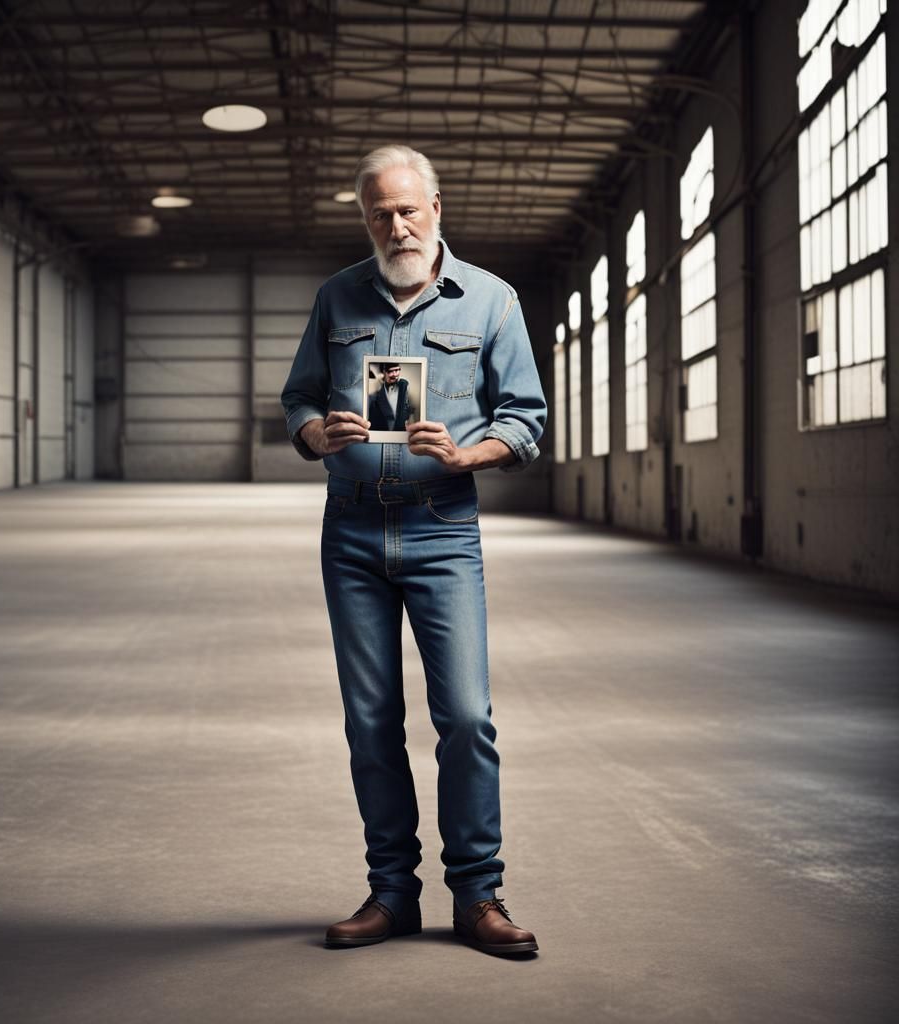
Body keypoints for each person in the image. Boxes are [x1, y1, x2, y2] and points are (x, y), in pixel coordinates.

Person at [281, 144, 546, 957]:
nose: (395, 225)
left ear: (437, 208)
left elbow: (526, 419)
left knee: (465, 716)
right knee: (371, 722)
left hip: (442, 529)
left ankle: (478, 896)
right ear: (365, 217)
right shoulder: (338, 298)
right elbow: (296, 399)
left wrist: (469, 455)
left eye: (408, 209)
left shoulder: (492, 303)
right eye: (378, 213)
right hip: (353, 528)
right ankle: (392, 894)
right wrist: (317, 432)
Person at [368, 362, 413, 431]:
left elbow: (408, 408)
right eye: (390, 371)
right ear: (383, 372)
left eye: (397, 370)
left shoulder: (404, 385)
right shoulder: (374, 389)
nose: (394, 374)